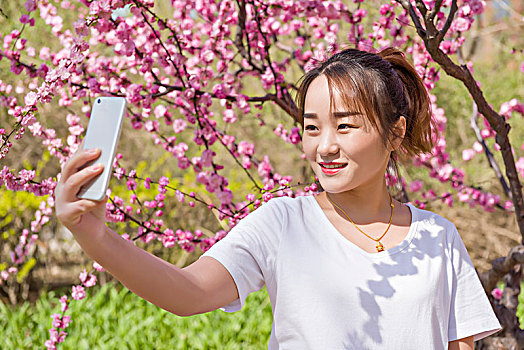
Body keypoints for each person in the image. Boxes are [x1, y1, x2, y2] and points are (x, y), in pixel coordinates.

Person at [55, 47, 502, 349]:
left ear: (395, 133)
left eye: (344, 126)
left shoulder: (437, 237)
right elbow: (186, 293)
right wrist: (95, 237)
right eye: (311, 127)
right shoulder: (284, 223)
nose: (323, 146)